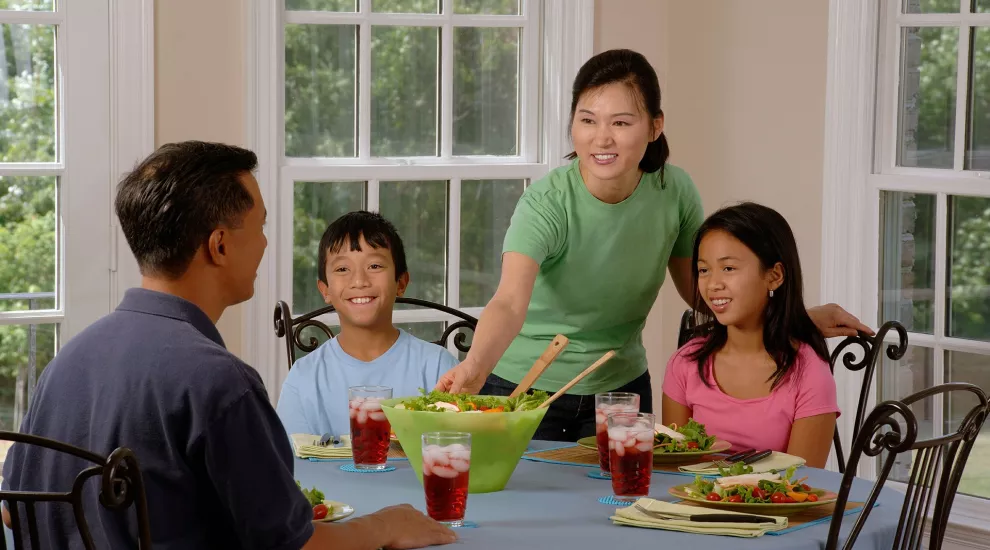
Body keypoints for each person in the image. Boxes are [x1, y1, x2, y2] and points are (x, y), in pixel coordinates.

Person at [0, 141, 455, 550]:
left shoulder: (66, 363)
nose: (264, 243)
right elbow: (294, 545)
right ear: (219, 246)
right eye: (259, 227)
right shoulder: (219, 382)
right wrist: (385, 525)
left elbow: (12, 509)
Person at [435, 48, 869, 442]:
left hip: (619, 391)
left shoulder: (674, 191)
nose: (602, 138)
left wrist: (793, 315)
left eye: (621, 123)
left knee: (624, 513)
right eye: (587, 120)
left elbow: (703, 291)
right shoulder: (547, 204)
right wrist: (475, 369)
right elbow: (510, 303)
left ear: (655, 126)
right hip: (523, 387)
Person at [661, 202, 838, 468]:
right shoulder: (685, 363)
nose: (713, 284)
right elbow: (671, 469)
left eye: (728, 268)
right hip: (689, 507)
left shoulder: (809, 373)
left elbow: (804, 484)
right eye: (704, 270)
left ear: (774, 276)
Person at [276, 211, 457, 438]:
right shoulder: (304, 378)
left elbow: (458, 451)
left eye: (374, 266)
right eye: (342, 269)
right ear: (325, 290)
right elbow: (289, 466)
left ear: (401, 283)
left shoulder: (438, 368)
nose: (359, 281)